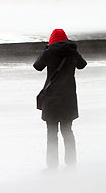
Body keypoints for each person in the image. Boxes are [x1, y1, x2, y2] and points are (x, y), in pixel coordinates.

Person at [34, 28, 87, 170]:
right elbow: (82, 65)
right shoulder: (72, 51)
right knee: (67, 131)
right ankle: (71, 163)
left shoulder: (49, 52)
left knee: (51, 134)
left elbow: (37, 66)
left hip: (51, 99)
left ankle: (52, 166)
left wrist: (47, 49)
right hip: (68, 99)